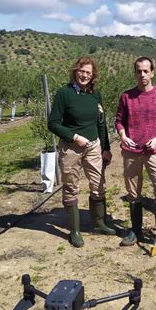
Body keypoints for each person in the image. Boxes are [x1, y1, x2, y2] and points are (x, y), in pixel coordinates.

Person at [48, 56, 115, 248]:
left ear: (93, 75)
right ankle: (75, 231)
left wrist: (106, 148)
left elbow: (101, 123)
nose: (84, 75)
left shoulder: (95, 94)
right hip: (71, 148)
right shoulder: (64, 93)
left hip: (93, 145)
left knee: (98, 184)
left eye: (88, 72)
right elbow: (52, 123)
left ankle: (100, 223)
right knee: (71, 187)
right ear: (75, 71)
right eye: (81, 71)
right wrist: (74, 137)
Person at [115, 56, 156, 250]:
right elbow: (119, 120)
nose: (142, 74)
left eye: (146, 71)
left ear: (152, 73)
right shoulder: (126, 96)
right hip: (131, 151)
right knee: (133, 192)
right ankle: (136, 230)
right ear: (135, 73)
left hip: (154, 151)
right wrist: (123, 135)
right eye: (139, 71)